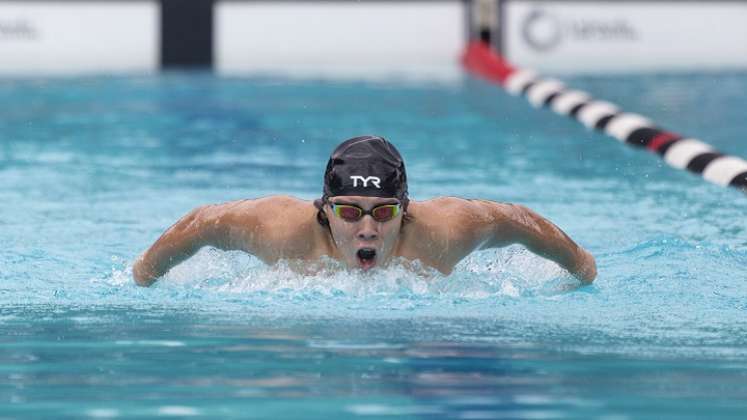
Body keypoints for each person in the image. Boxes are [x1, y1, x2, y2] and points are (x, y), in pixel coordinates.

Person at [133, 136, 596, 286]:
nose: (369, 228)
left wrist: (582, 268)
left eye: (384, 212)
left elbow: (516, 220)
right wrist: (142, 276)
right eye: (351, 213)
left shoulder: (446, 231)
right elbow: (200, 224)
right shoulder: (279, 230)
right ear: (325, 209)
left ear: (406, 210)